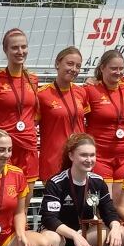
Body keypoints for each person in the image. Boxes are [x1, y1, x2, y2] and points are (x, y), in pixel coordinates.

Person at [40, 133, 124, 246]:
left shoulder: (98, 182)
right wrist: (74, 235)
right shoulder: (56, 182)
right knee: (51, 240)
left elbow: (110, 212)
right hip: (64, 238)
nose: (89, 160)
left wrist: (115, 227)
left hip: (86, 238)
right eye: (83, 155)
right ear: (71, 156)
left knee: (122, 232)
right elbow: (49, 219)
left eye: (92, 155)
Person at [0, 28, 40, 209]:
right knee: (3, 199)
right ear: (6, 50)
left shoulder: (33, 79)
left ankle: (21, 234)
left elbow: (34, 113)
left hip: (28, 147)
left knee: (24, 202)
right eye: (15, 47)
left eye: (23, 47)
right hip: (5, 146)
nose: (20, 52)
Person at [83, 49, 124, 202]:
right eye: (113, 68)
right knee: (103, 207)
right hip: (100, 156)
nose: (118, 72)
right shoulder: (90, 90)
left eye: (121, 68)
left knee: (121, 207)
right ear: (102, 68)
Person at [37, 46, 88, 182]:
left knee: (79, 202)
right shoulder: (42, 94)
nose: (74, 69)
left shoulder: (81, 92)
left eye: (78, 66)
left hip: (79, 159)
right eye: (70, 64)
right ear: (57, 64)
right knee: (54, 203)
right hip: (53, 160)